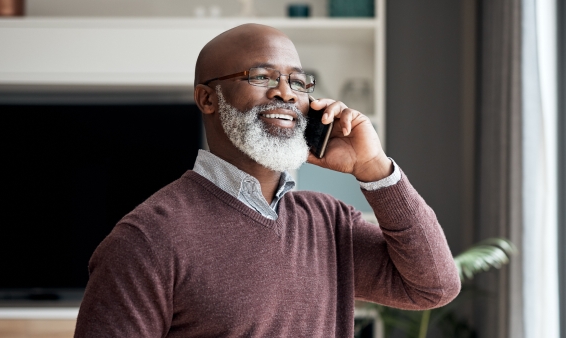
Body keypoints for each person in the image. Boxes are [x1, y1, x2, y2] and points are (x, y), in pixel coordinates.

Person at [74, 23, 460, 337]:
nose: (285, 93)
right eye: (261, 76)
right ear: (208, 99)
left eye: (298, 81)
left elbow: (434, 287)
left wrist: (374, 167)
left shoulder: (328, 223)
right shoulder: (146, 239)